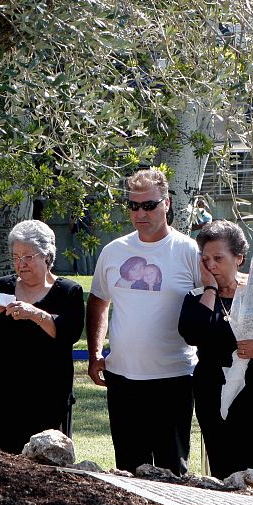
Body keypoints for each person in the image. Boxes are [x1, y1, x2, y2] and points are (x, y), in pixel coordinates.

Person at [87, 168, 201, 476]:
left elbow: (212, 302)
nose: (140, 213)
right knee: (128, 469)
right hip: (122, 378)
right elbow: (98, 301)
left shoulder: (189, 250)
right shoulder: (114, 251)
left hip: (174, 377)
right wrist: (95, 353)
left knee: (172, 470)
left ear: (167, 203)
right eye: (133, 205)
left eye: (149, 205)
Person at [178, 220, 253, 481]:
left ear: (239, 258)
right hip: (217, 399)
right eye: (206, 259)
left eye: (218, 258)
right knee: (227, 475)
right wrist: (211, 288)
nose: (211, 265)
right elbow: (192, 333)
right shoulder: (197, 297)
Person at [0, 220, 85, 454]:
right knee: (5, 458)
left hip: (49, 393)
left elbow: (69, 334)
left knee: (47, 462)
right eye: (15, 257)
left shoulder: (68, 292)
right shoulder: (2, 286)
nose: (20, 264)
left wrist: (35, 314)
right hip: (5, 393)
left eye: (27, 257)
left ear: (47, 256)